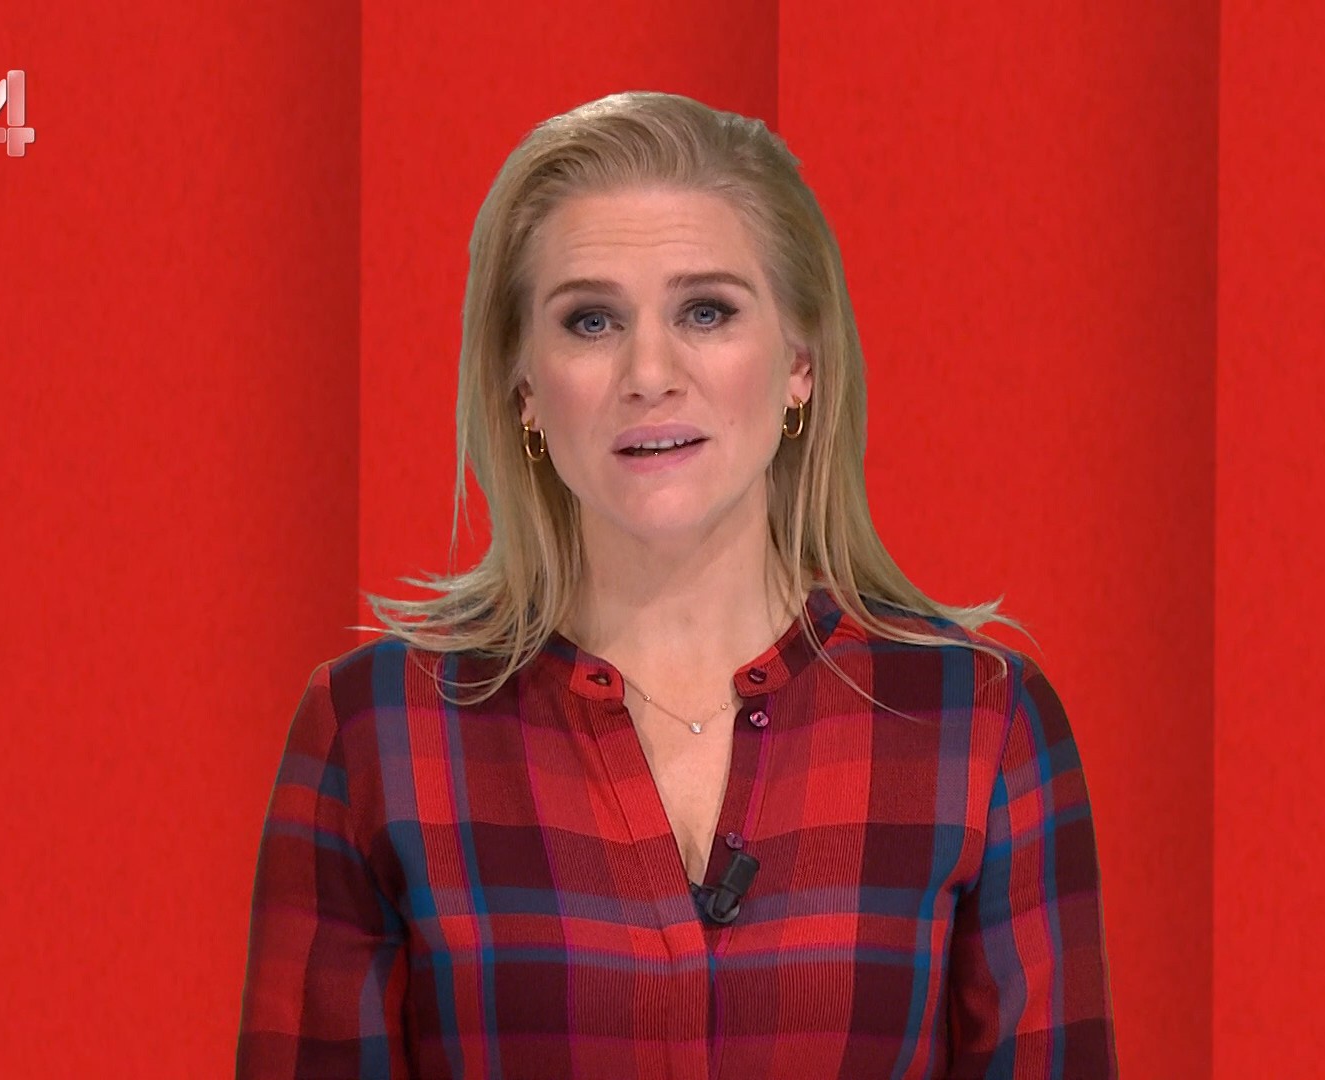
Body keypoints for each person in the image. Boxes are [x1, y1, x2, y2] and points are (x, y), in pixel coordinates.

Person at [235, 89, 1117, 1079]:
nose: (649, 372)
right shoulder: (374, 732)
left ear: (800, 362)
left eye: (706, 311)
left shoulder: (978, 722)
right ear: (525, 388)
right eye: (591, 321)